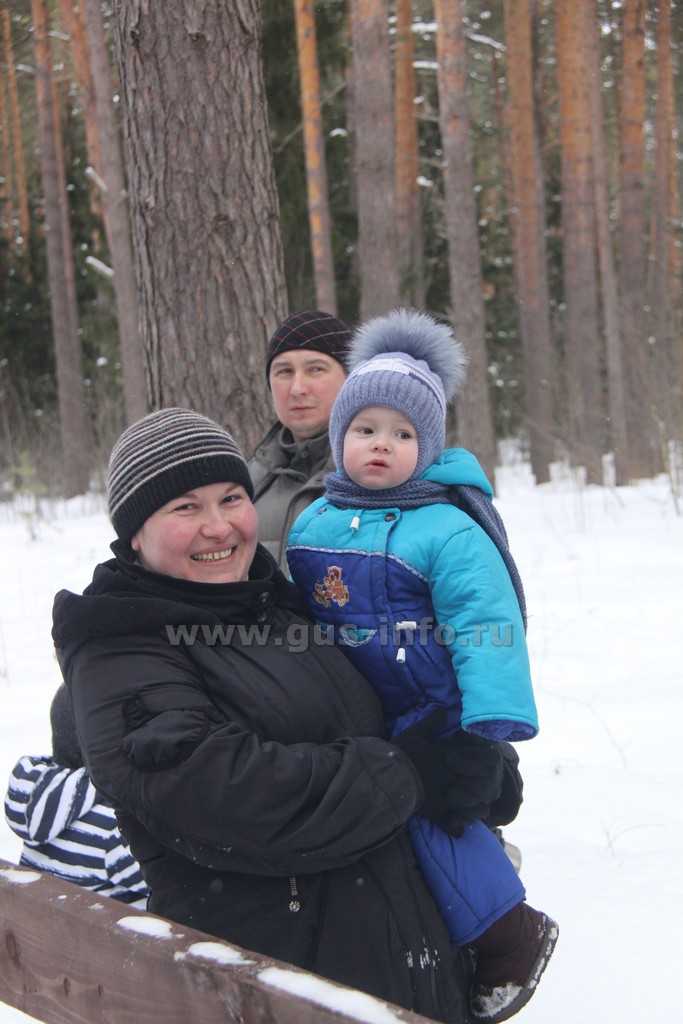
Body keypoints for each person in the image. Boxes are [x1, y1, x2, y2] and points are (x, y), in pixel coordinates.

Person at [50, 406, 519, 1022]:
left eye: (231, 498)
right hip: (271, 990)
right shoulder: (121, 647)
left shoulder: (280, 605)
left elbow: (389, 695)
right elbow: (218, 791)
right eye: (185, 508)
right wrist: (407, 775)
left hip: (402, 965)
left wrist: (469, 756)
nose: (219, 527)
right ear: (134, 533)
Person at [287, 310, 559, 1023]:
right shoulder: (314, 522)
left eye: (403, 435)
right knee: (387, 827)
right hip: (359, 710)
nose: (382, 444)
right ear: (339, 437)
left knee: (440, 819)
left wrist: (487, 724)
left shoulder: (446, 529)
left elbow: (487, 625)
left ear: (428, 447)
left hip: (434, 708)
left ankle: (509, 933)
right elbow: (297, 610)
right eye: (365, 429)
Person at [4, 685, 148, 908]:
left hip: (48, 928)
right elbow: (178, 887)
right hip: (112, 931)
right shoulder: (114, 827)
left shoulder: (43, 804)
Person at [249, 310, 351, 570]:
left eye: (316, 369)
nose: (297, 389)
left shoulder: (380, 475)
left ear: (350, 378)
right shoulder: (248, 483)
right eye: (284, 371)